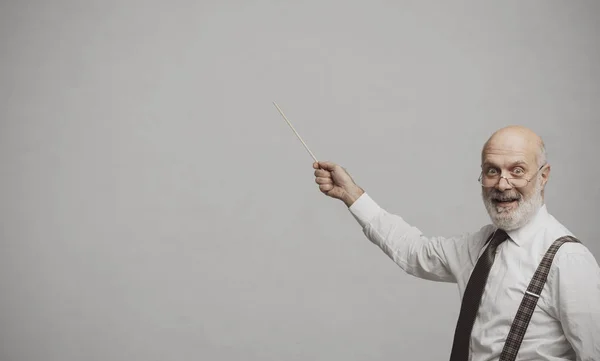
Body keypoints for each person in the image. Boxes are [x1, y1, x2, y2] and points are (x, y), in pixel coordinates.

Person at [312, 125, 600, 360]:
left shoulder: (568, 261)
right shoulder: (481, 245)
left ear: (544, 176)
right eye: (492, 171)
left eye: (517, 170)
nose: (502, 184)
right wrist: (352, 195)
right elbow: (415, 252)